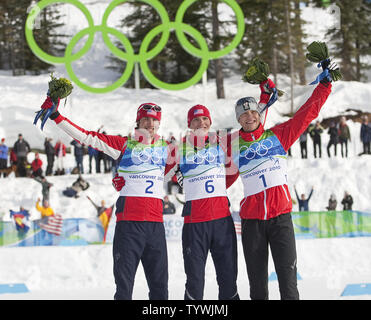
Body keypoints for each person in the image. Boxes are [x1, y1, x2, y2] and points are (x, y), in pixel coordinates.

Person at [38, 95, 176, 300]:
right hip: (129, 225)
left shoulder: (167, 150)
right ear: (138, 122)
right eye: (146, 119)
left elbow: (174, 173)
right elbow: (87, 137)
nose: (151, 123)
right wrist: (57, 116)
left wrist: (124, 177)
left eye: (155, 119)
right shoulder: (123, 145)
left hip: (155, 226)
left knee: (160, 290)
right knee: (124, 290)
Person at [230, 75, 332, 300]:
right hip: (252, 222)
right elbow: (218, 177)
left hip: (281, 220)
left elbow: (306, 115)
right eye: (244, 114)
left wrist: (324, 86)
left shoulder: (278, 136)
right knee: (257, 288)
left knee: (288, 285)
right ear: (238, 120)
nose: (249, 116)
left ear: (260, 115)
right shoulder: (233, 146)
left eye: (253, 112)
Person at [175, 105, 239, 300]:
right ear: (189, 125)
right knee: (194, 283)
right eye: (196, 120)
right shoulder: (177, 149)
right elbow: (153, 165)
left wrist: (262, 102)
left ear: (210, 122)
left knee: (228, 280)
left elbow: (250, 126)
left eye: (205, 119)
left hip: (222, 222)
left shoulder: (222, 142)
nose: (201, 123)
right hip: (195, 224)